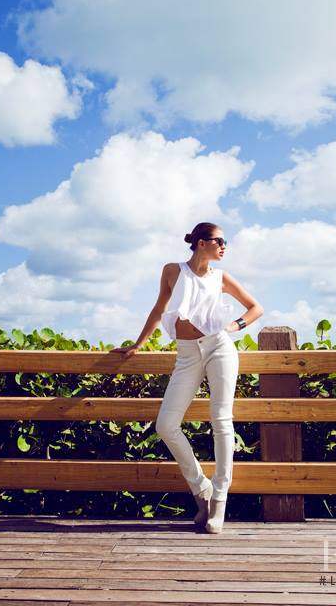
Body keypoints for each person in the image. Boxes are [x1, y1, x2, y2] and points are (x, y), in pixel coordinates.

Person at [111, 222, 264, 533]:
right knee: (166, 425)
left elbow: (255, 308)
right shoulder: (173, 270)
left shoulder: (221, 277)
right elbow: (159, 309)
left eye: (226, 242)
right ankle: (202, 489)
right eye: (220, 241)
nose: (225, 246)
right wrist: (138, 344)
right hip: (186, 353)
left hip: (219, 347)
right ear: (201, 242)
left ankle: (218, 500)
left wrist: (232, 328)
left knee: (221, 421)